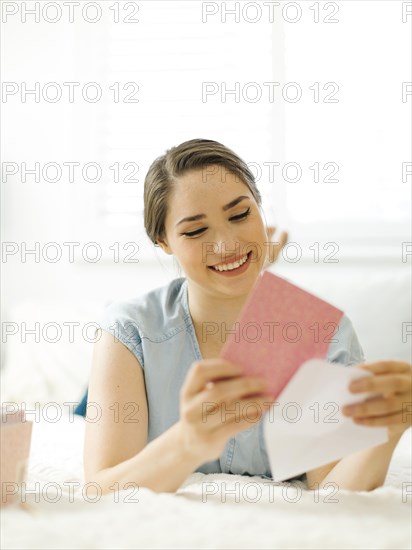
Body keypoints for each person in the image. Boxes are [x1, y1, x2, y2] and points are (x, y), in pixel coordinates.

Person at [77, 139, 411, 494]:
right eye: (195, 230)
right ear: (163, 241)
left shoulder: (324, 334)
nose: (227, 245)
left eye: (240, 215)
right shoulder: (128, 331)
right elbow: (100, 487)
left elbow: (330, 490)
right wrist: (186, 444)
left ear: (259, 207)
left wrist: (388, 430)